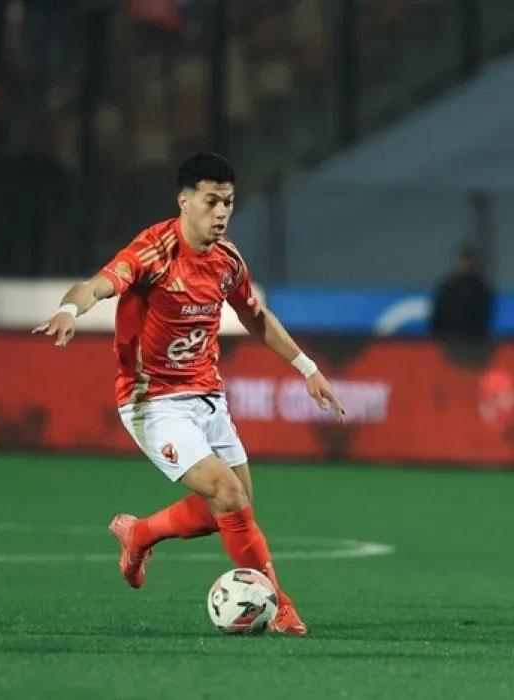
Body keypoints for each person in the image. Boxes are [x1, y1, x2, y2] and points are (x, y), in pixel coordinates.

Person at [32, 152, 346, 636]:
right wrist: (69, 311)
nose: (221, 213)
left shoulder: (227, 260)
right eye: (211, 201)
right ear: (184, 201)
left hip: (207, 396)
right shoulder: (153, 252)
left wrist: (307, 368)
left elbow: (255, 317)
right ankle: (280, 605)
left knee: (236, 506)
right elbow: (95, 286)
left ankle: (139, 534)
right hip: (152, 401)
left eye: (229, 203)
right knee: (228, 494)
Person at [430, 244, 494, 341]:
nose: (466, 265)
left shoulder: (481, 289)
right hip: (447, 341)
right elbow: (437, 317)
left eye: (469, 261)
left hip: (473, 342)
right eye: (463, 261)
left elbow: (484, 318)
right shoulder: (447, 288)